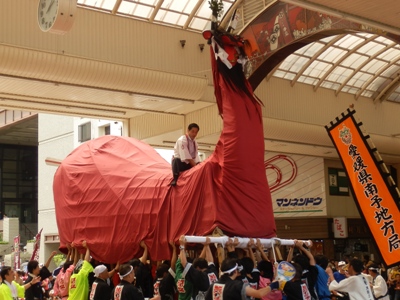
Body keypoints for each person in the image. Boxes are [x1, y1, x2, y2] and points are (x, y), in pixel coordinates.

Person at [205, 257, 277, 300]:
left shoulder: (213, 285)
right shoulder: (237, 285)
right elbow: (259, 294)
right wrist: (273, 285)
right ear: (235, 271)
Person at [178, 235, 218, 300]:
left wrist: (182, 246)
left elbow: (184, 264)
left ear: (198, 268)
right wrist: (207, 245)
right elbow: (210, 261)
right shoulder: (213, 273)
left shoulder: (199, 277)